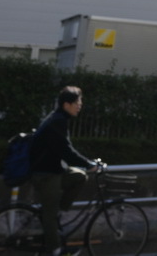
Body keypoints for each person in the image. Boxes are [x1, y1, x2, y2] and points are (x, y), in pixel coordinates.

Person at [28, 86, 99, 256]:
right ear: (66, 105)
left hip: (54, 169)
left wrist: (86, 165)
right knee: (50, 215)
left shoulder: (58, 118)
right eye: (77, 103)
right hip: (46, 174)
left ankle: (56, 212)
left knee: (79, 177)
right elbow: (66, 151)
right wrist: (89, 164)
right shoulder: (57, 121)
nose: (80, 106)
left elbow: (66, 150)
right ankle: (55, 250)